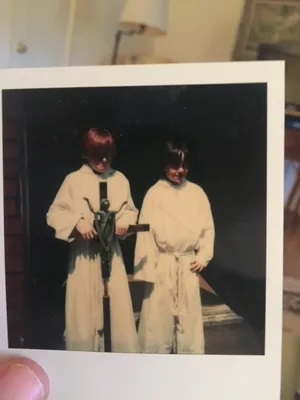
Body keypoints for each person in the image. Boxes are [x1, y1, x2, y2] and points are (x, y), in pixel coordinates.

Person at [46, 128, 140, 353]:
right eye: (98, 154)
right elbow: (54, 214)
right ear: (87, 153)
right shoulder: (73, 181)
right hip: (84, 257)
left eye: (107, 154)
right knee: (84, 317)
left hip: (112, 257)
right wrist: (77, 221)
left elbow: (130, 210)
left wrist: (124, 221)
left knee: (116, 317)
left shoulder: (120, 180)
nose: (103, 160)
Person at [134, 139, 215, 354]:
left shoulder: (197, 193)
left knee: (188, 323)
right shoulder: (154, 194)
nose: (180, 171)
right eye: (174, 165)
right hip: (163, 263)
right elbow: (146, 234)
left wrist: (203, 256)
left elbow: (207, 228)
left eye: (184, 166)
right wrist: (148, 269)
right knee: (157, 322)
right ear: (164, 165)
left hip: (188, 264)